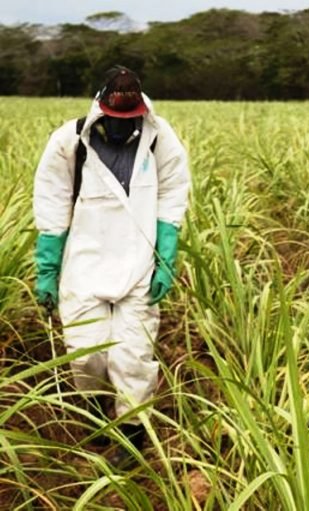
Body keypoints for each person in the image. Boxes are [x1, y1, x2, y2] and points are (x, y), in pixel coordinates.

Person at [33, 65, 191, 467]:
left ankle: (131, 432)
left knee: (132, 355)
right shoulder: (70, 141)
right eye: (115, 120)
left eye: (129, 119)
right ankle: (96, 407)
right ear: (101, 109)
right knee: (86, 354)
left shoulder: (160, 138)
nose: (123, 127)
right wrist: (48, 268)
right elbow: (52, 202)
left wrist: (166, 256)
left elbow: (173, 193)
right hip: (83, 263)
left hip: (139, 262)